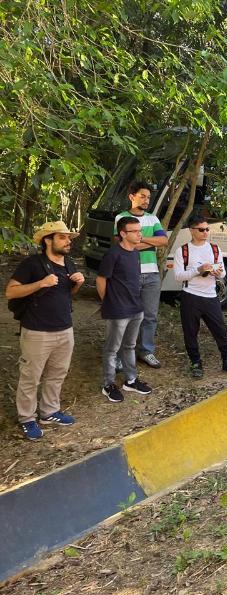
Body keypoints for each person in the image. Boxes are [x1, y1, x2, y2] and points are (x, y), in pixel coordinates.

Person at [5, 221, 84, 440]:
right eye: (63, 237)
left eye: (69, 238)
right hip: (37, 332)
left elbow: (67, 294)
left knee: (57, 374)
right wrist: (40, 283)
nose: (68, 242)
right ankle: (27, 418)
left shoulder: (69, 263)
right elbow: (10, 293)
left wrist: (77, 283)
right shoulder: (32, 264)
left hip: (65, 329)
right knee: (31, 377)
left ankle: (49, 412)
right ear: (48, 240)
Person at [173, 215, 227, 378]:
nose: (205, 232)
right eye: (201, 229)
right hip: (190, 296)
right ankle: (195, 363)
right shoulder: (182, 251)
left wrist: (219, 273)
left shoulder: (214, 248)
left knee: (221, 331)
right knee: (190, 332)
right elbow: (178, 276)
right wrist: (198, 270)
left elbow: (223, 272)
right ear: (191, 230)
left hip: (211, 296)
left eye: (207, 229)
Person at [97, 216, 153, 402]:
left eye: (140, 230)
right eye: (135, 231)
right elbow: (101, 279)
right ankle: (108, 384)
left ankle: (131, 380)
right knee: (112, 349)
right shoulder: (113, 254)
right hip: (118, 310)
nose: (140, 234)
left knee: (129, 346)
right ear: (123, 234)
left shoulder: (135, 253)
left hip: (136, 308)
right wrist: (108, 301)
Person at [115, 181, 168, 369]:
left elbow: (163, 240)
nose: (146, 200)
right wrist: (150, 242)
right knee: (127, 315)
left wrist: (140, 238)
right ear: (132, 196)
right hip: (130, 273)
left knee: (150, 316)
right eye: (143, 196)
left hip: (152, 273)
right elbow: (125, 245)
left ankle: (146, 351)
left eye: (148, 197)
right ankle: (121, 355)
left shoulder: (153, 219)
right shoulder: (121, 217)